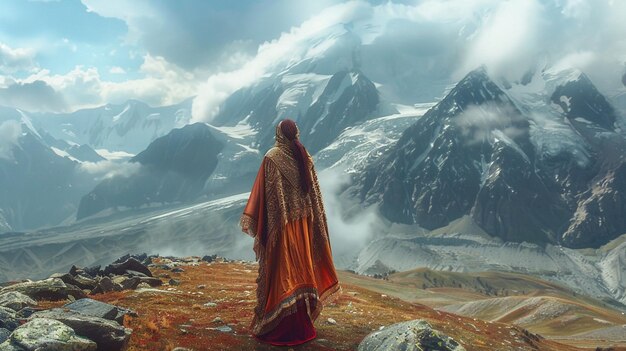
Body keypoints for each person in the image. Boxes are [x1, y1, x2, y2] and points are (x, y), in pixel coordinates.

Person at [240, 118, 342, 346]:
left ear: (279, 134)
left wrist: (261, 223)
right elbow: (315, 198)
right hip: (305, 226)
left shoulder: (272, 158)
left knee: (282, 273)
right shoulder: (304, 156)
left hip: (283, 228)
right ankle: (301, 325)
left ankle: (280, 327)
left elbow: (262, 195)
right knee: (302, 270)